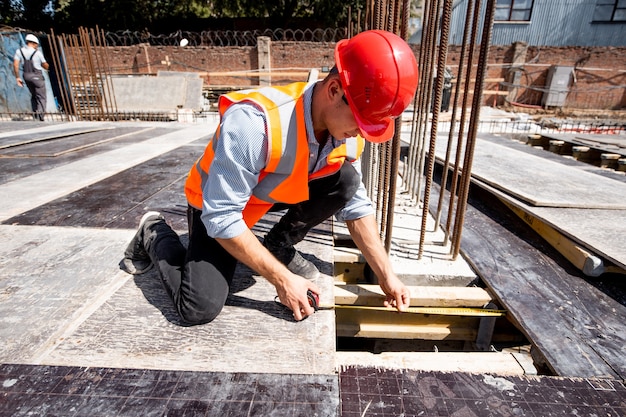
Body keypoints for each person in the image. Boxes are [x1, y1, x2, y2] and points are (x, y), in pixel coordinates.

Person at [120, 30, 419, 324]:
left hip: (267, 193)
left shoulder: (347, 132)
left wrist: (387, 275)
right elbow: (221, 216)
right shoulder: (254, 123)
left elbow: (355, 206)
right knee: (198, 307)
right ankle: (154, 231)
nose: (361, 132)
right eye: (360, 120)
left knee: (347, 180)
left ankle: (277, 244)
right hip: (214, 204)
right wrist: (282, 279)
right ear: (334, 90)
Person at [13, 34, 49, 121]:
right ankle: (40, 115)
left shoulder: (19, 51)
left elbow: (15, 64)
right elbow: (45, 65)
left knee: (33, 95)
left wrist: (17, 77)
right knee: (41, 96)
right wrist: (46, 66)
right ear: (34, 43)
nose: (37, 46)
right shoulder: (37, 53)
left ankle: (35, 113)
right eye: (37, 44)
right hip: (37, 76)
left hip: (26, 76)